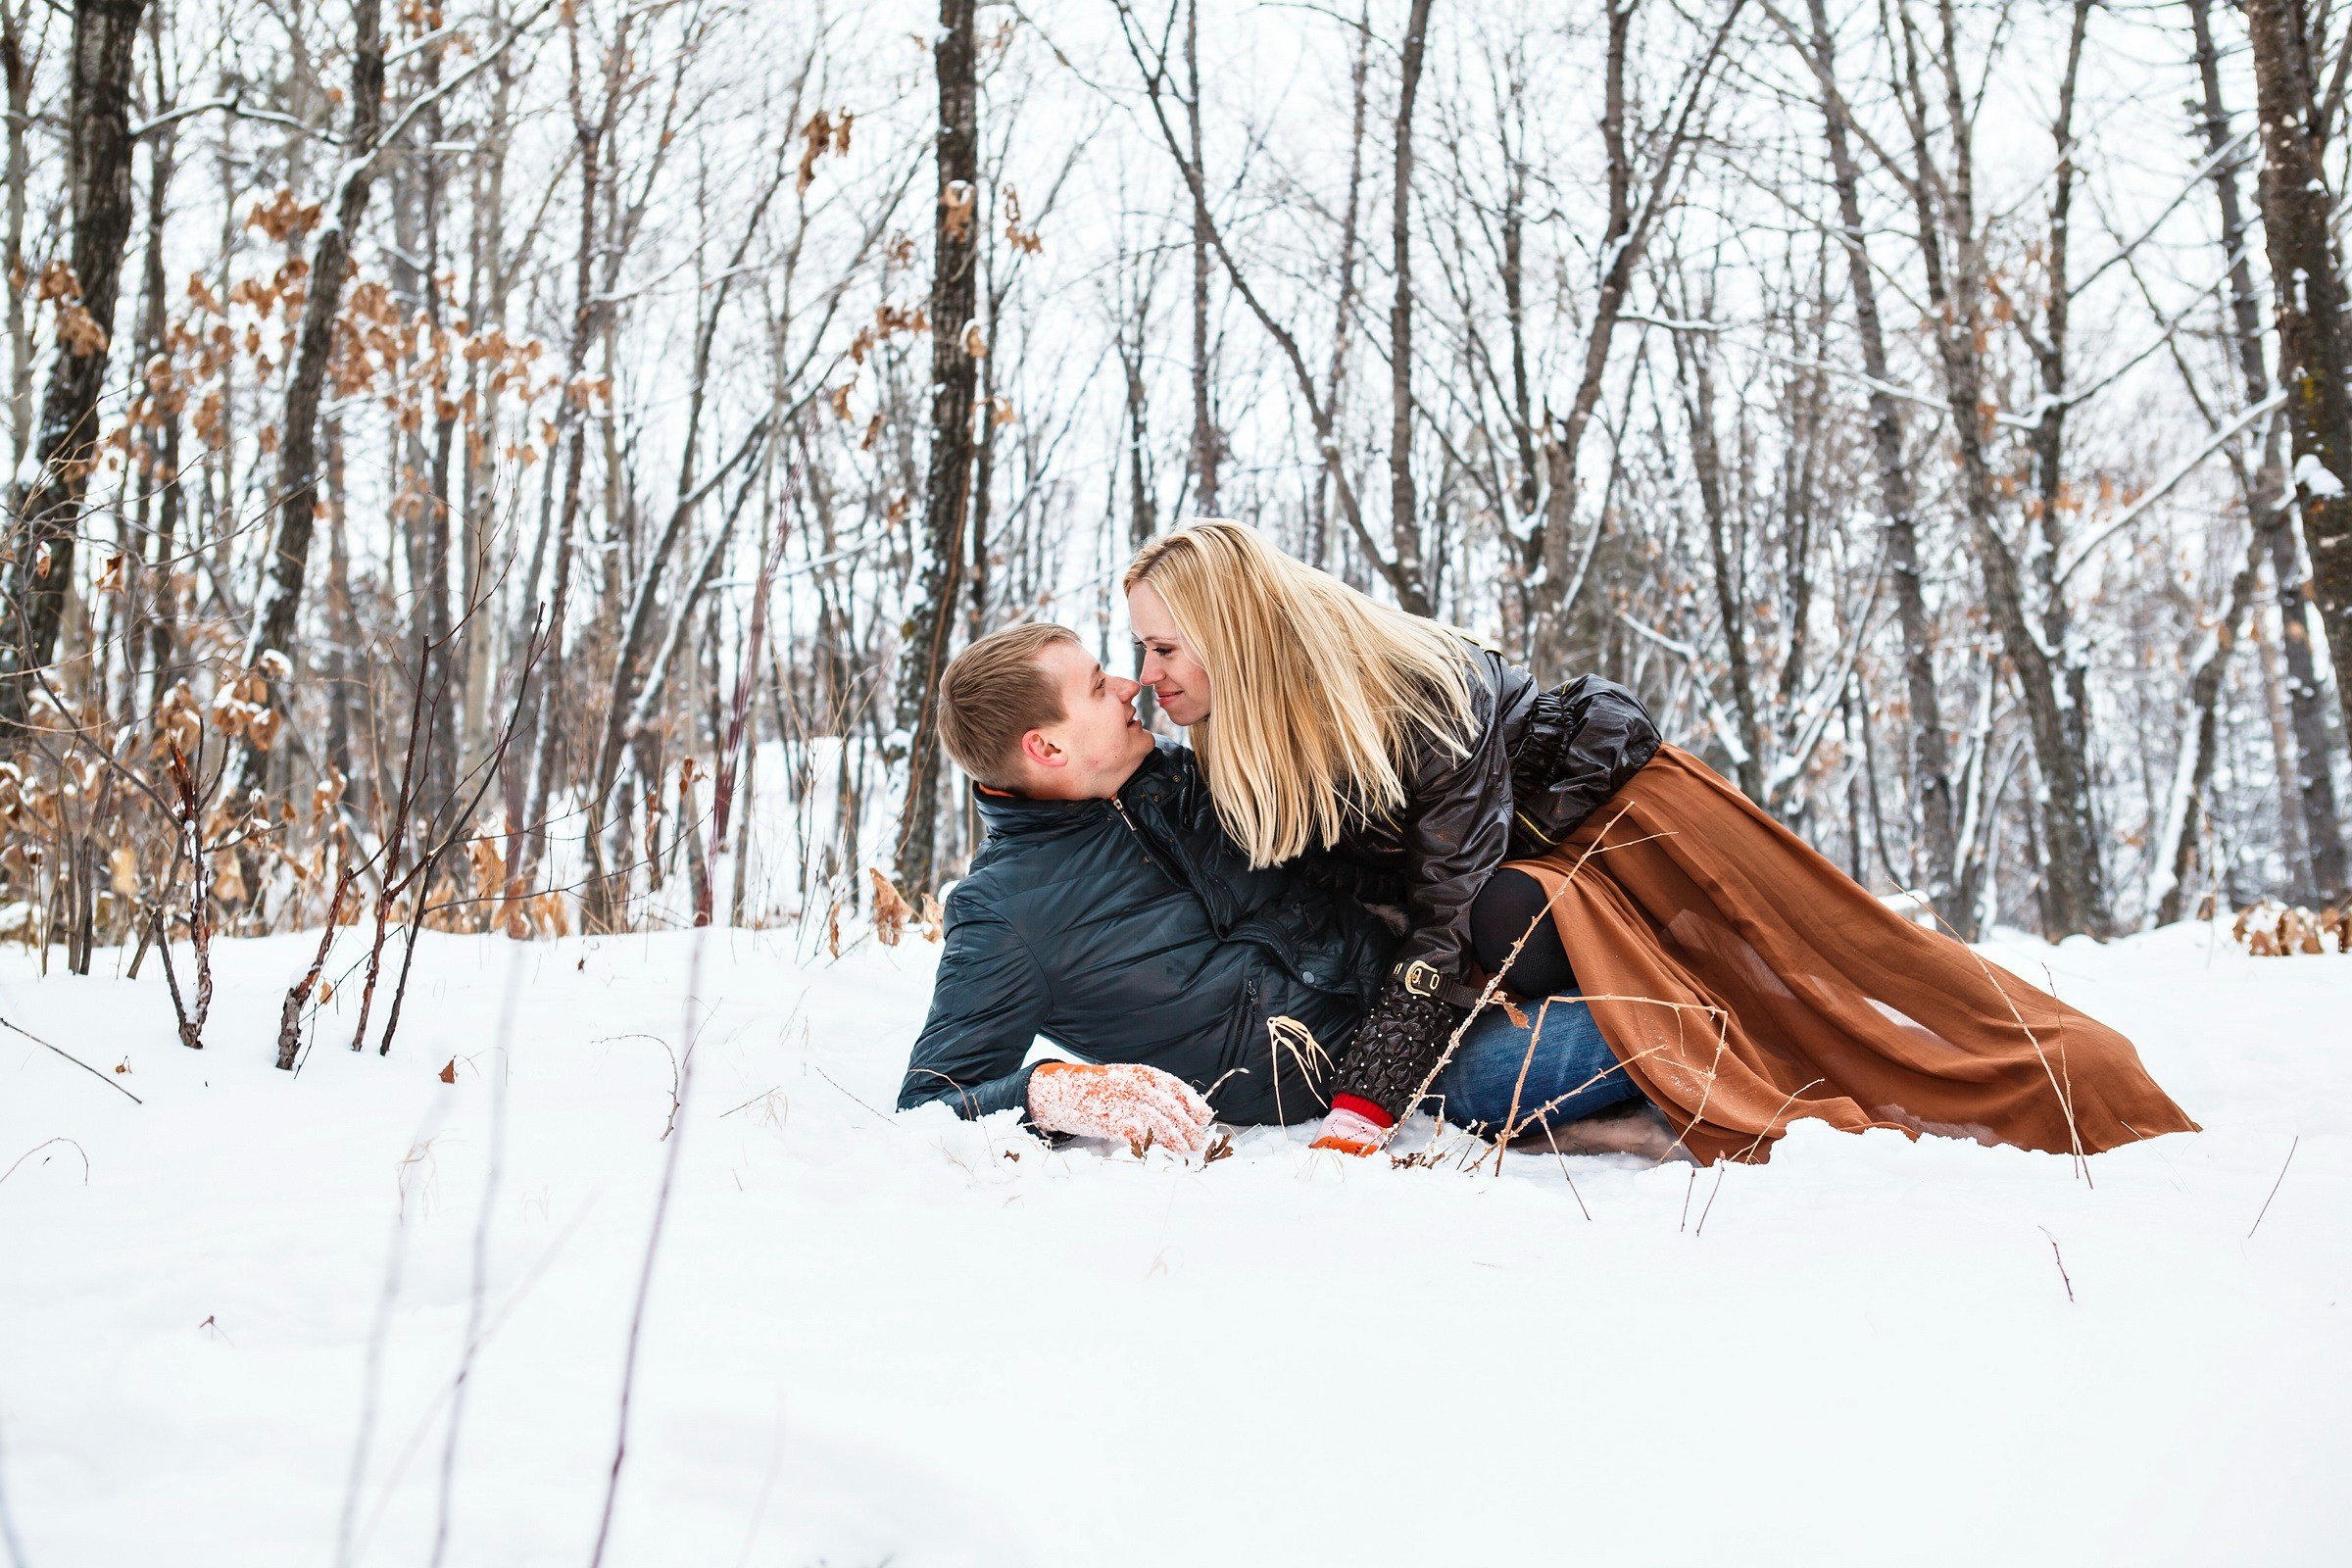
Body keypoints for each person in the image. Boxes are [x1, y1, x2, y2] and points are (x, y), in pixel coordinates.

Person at [1123, 519, 2199, 1163]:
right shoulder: (1248, 745)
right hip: (1547, 885)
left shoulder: (1409, 692)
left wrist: (1365, 1103)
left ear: (1238, 635)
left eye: (1167, 646)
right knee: (1514, 923)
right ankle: (1674, 1068)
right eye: (1140, 649)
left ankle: (2064, 1073)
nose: (1150, 674)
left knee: (1839, 974)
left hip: (1640, 831)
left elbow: (1445, 915)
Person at [894, 622, 1396, 1152]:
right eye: (1096, 687)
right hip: (1383, 1077)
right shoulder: (1004, 913)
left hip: (1432, 987)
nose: (1129, 686)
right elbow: (928, 1106)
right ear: (1046, 746)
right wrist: (1051, 1090)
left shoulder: (1184, 773)